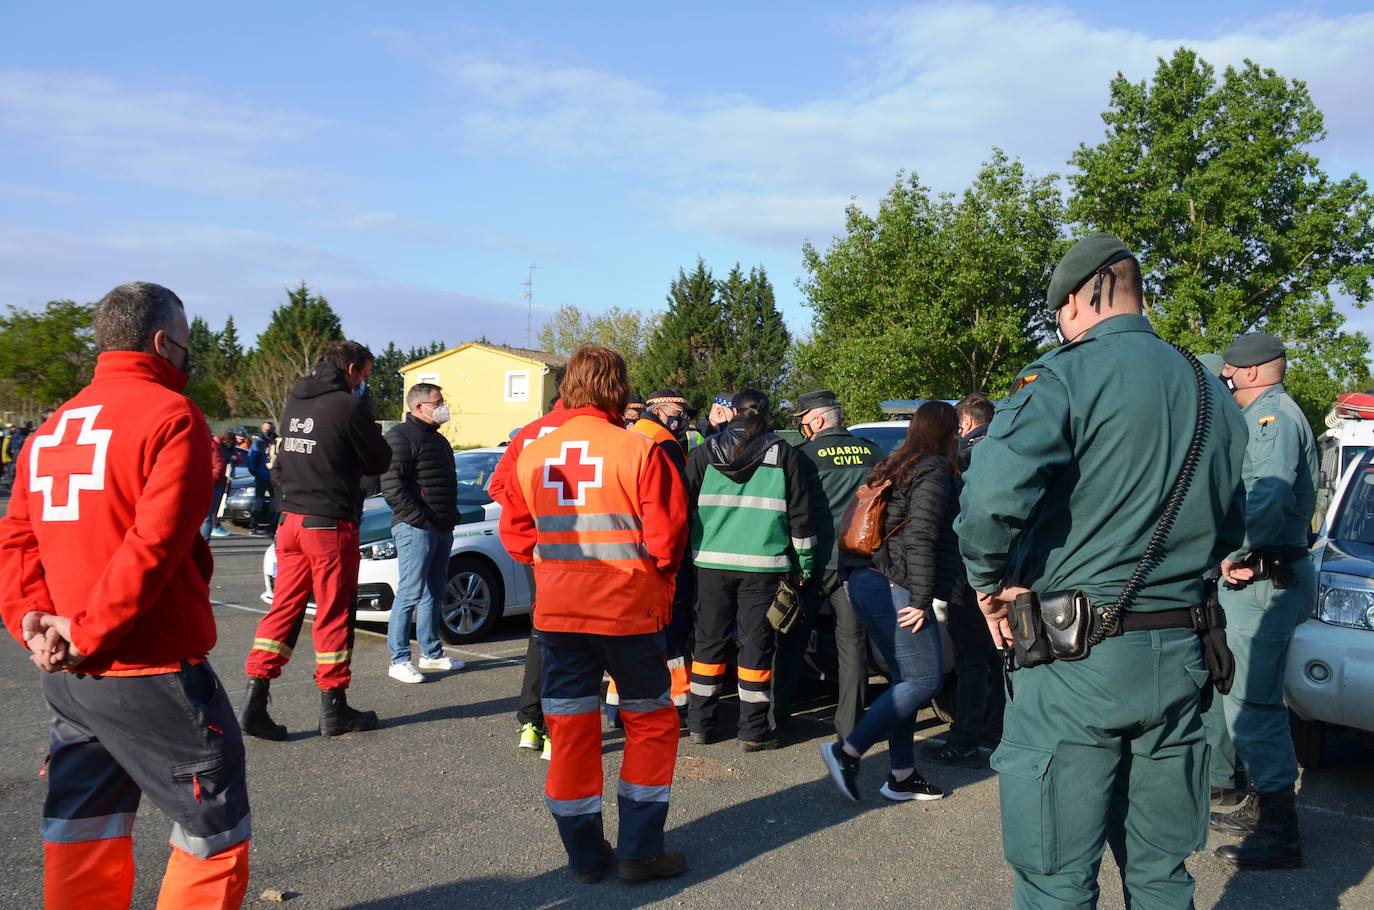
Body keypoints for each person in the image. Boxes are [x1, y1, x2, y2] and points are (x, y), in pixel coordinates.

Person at [956, 234, 1247, 909]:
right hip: (1181, 654)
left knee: (1056, 875)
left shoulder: (1065, 375)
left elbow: (989, 498)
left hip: (1075, 662)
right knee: (1161, 873)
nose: (1062, 322)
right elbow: (1230, 526)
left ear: (1085, 298)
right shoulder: (1210, 388)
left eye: (1061, 310)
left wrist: (989, 583)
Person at [0, 281, 251, 908]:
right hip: (151, 669)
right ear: (163, 342)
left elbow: (16, 539)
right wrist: (85, 629)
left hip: (68, 675)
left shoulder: (51, 428)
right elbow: (153, 547)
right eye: (187, 347)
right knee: (213, 831)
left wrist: (34, 622)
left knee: (83, 830)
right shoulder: (171, 417)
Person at [498, 345, 689, 883]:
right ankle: (640, 851)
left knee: (571, 728)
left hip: (557, 617)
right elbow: (668, 541)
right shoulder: (639, 450)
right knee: (650, 723)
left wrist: (556, 566)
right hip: (630, 612)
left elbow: (515, 537)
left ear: (569, 388)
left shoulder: (532, 452)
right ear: (618, 389)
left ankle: (583, 856)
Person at [239, 340, 392, 740]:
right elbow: (379, 461)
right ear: (353, 369)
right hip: (328, 524)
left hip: (290, 522)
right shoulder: (349, 406)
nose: (365, 383)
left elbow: (284, 464)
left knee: (284, 611)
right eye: (366, 375)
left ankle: (256, 698)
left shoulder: (295, 404)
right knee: (334, 613)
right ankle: (334, 707)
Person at [1206, 332, 1318, 870]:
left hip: (1264, 578)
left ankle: (1281, 830)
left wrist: (1234, 550)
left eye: (1227, 372)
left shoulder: (1271, 419)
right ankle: (1262, 803)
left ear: (1248, 373)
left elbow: (1268, 494)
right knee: (1250, 696)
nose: (1224, 380)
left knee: (1252, 703)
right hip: (1267, 576)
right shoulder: (1273, 414)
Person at [820, 401, 960, 802]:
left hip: (865, 577)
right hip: (895, 584)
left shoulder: (894, 463)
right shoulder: (932, 469)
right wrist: (919, 597)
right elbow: (920, 537)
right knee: (925, 680)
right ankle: (846, 751)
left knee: (905, 678)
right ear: (948, 432)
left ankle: (901, 775)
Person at [686, 389, 815, 751]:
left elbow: (680, 507)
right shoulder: (783, 454)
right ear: (766, 415)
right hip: (764, 565)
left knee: (708, 643)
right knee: (755, 647)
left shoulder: (703, 453)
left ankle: (699, 723)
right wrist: (804, 564)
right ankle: (753, 730)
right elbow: (800, 519)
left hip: (710, 563)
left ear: (732, 413)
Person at [773, 389, 880, 738]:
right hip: (857, 563)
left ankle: (775, 718)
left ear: (817, 420)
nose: (802, 428)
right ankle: (850, 727)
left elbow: (789, 509)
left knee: (789, 640)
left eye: (803, 421)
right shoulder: (872, 451)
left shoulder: (803, 456)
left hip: (812, 563)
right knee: (853, 644)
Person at [490, 371, 570, 760]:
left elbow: (499, 486)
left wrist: (532, 523)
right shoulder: (608, 432)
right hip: (587, 554)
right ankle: (559, 726)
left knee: (542, 633)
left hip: (539, 550)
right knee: (579, 643)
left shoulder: (530, 433)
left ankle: (531, 722)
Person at [922, 393, 1004, 767]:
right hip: (1010, 574)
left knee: (971, 662)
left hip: (970, 575)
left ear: (966, 426)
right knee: (1002, 657)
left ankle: (965, 740)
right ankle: (996, 730)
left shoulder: (968, 460)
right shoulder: (1009, 449)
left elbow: (965, 523)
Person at [612, 388, 696, 721]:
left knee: (627, 636)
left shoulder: (631, 435)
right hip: (657, 554)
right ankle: (676, 706)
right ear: (660, 410)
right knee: (671, 634)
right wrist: (672, 562)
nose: (683, 419)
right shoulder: (663, 443)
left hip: (625, 551)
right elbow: (673, 508)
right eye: (679, 412)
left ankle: (616, 707)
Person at [381, 382, 466, 683]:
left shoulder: (438, 441)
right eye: (438, 401)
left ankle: (431, 653)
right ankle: (399, 658)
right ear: (418, 407)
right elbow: (392, 485)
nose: (443, 406)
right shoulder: (400, 437)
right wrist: (419, 519)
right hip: (416, 528)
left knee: (435, 591)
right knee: (409, 593)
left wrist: (448, 517)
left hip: (442, 527)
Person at [201, 426, 229, 540]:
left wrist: (207, 481)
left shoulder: (211, 445)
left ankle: (202, 547)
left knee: (206, 517)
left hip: (212, 486)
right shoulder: (194, 445)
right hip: (199, 486)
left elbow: (219, 466)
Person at [247, 427, 275, 535]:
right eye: (266, 430)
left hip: (273, 477)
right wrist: (255, 473)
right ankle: (254, 525)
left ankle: (271, 526)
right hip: (262, 476)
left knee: (274, 502)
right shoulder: (259, 444)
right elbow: (252, 459)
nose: (268, 432)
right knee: (258, 501)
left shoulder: (277, 442)